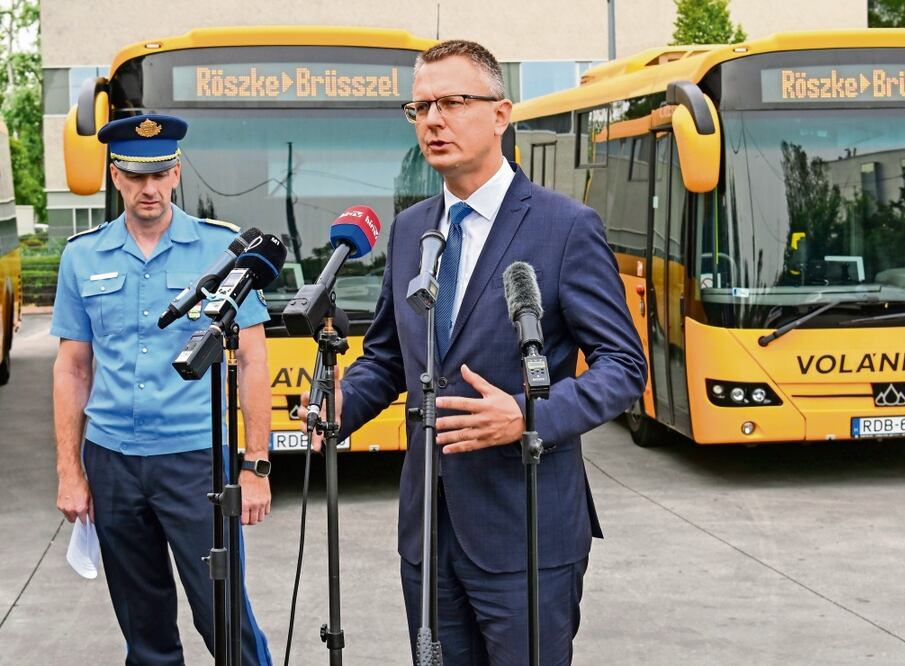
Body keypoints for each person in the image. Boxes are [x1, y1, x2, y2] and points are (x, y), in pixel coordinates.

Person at [312, 40, 646, 664]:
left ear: (501, 114)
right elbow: (388, 358)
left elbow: (624, 368)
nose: (433, 120)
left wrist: (529, 414)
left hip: (525, 529)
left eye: (454, 102)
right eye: (421, 107)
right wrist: (339, 405)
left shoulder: (565, 227)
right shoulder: (413, 228)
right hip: (429, 530)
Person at [52, 114, 275, 665]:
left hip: (195, 461)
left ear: (176, 173)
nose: (148, 188)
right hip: (113, 462)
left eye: (160, 174)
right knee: (142, 623)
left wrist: (255, 465)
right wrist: (69, 471)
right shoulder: (82, 256)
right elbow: (73, 369)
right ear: (116, 176)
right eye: (135, 175)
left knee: (223, 615)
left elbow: (251, 360)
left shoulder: (223, 252)